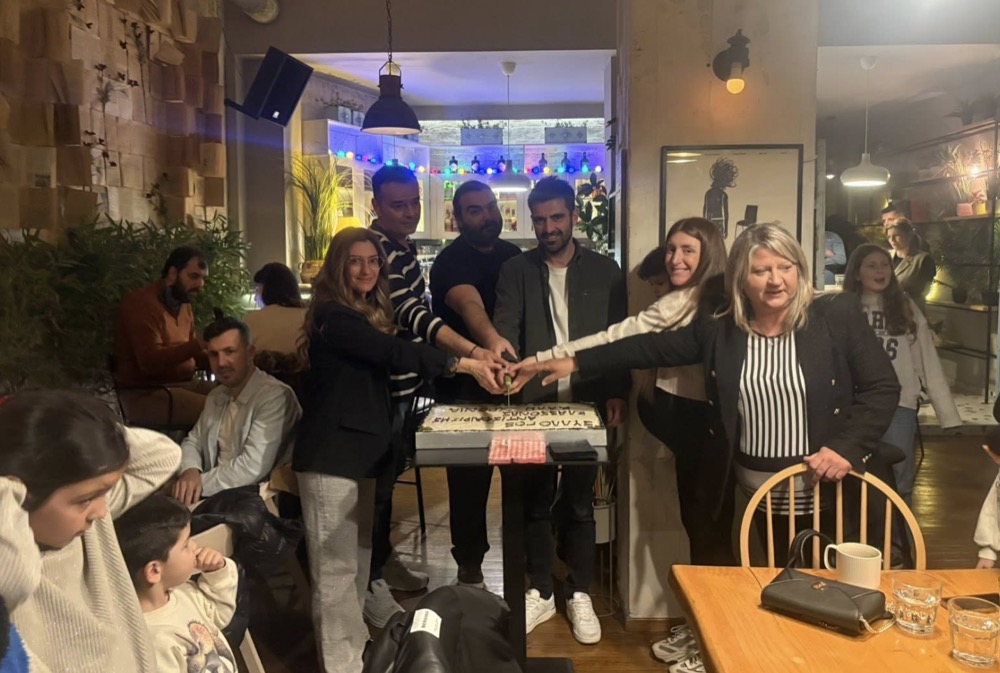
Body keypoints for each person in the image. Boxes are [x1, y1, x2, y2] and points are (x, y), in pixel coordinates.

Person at [515, 224, 900, 559]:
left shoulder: (835, 315)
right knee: (775, 590)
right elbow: (648, 347)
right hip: (757, 497)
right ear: (740, 278)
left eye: (786, 267)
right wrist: (573, 361)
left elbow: (881, 387)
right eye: (761, 270)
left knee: (824, 596)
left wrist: (845, 447)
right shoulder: (722, 327)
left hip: (827, 494)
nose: (776, 280)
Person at [292, 227, 501, 673]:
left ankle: (355, 656)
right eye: (355, 261)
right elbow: (390, 351)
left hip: (360, 453)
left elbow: (400, 350)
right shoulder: (333, 315)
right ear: (337, 266)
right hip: (330, 455)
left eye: (373, 261)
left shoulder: (363, 312)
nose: (366, 269)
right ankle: (342, 666)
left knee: (356, 564)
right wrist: (464, 362)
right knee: (335, 573)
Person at [493, 176, 630, 645]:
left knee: (579, 503)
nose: (548, 228)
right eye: (539, 220)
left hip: (587, 401)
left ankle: (579, 591)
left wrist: (617, 391)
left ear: (573, 216)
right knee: (534, 501)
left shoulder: (606, 271)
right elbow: (506, 324)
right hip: (532, 402)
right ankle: (541, 589)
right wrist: (505, 362)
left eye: (556, 217)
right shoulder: (515, 270)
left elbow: (617, 338)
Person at [366, 166, 504, 623]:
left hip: (407, 385)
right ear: (376, 206)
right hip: (382, 388)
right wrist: (474, 353)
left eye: (413, 203)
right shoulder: (379, 249)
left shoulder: (402, 249)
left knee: (387, 482)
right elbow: (411, 312)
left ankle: (383, 563)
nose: (408, 212)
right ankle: (371, 580)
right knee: (378, 489)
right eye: (397, 205)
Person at [0, 390, 182, 672]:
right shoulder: (11, 566)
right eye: (85, 500)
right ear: (20, 495)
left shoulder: (90, 524)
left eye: (105, 493)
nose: (102, 510)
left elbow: (165, 455)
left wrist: (83, 434)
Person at [429, 180, 522, 589]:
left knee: (521, 479)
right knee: (468, 484)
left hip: (515, 386)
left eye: (490, 207)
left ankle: (525, 566)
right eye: (475, 210)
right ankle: (469, 568)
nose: (487, 216)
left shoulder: (514, 256)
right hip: (464, 391)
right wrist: (492, 346)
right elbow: (471, 307)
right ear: (458, 219)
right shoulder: (450, 261)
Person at [843, 244, 960, 563]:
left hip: (900, 405)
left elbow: (927, 359)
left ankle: (899, 551)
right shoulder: (845, 308)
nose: (880, 271)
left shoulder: (905, 307)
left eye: (884, 265)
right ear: (857, 272)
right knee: (854, 479)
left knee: (900, 479)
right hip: (856, 406)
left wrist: (947, 414)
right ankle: (857, 550)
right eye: (871, 265)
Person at [173, 317, 302, 505]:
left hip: (258, 504)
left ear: (250, 353)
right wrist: (189, 470)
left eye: (230, 352)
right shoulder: (217, 395)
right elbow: (193, 441)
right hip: (214, 498)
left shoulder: (275, 396)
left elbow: (251, 468)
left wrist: (198, 484)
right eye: (213, 354)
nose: (221, 362)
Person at [115, 494, 238, 673]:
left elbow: (219, 615)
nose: (194, 546)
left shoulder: (181, 592)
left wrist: (217, 572)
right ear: (154, 571)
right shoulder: (153, 643)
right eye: (186, 545)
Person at [113, 246, 213, 428]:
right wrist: (198, 344)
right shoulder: (141, 304)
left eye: (203, 278)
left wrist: (223, 358)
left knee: (240, 398)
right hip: (146, 393)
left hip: (183, 384)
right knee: (221, 412)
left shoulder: (184, 305)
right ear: (173, 273)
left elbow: (193, 353)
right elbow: (149, 362)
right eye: (194, 276)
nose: (200, 285)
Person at [243, 262, 308, 355]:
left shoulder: (250, 320)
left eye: (257, 290)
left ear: (267, 290)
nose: (255, 298)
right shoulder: (309, 318)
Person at [887, 218, 936, 313]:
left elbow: (923, 291)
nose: (892, 240)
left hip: (910, 311)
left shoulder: (922, 259)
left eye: (897, 235)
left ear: (909, 235)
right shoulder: (886, 256)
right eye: (889, 237)